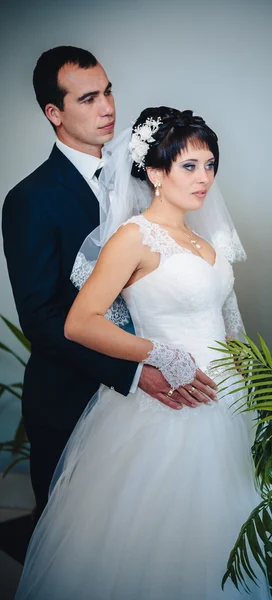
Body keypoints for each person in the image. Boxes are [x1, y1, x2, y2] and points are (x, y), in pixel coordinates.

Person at [14, 107, 271, 599]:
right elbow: (78, 322)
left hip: (229, 405)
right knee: (158, 546)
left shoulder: (206, 241)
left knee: (225, 537)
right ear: (155, 172)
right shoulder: (133, 236)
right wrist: (158, 354)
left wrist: (252, 377)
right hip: (168, 406)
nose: (204, 179)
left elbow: (228, 326)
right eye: (189, 166)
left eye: (210, 164)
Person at [2, 48, 215, 519]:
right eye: (88, 98)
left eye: (109, 91)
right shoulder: (30, 200)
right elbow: (41, 319)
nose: (107, 108)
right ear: (53, 113)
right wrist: (136, 372)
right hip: (72, 397)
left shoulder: (147, 178)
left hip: (160, 410)